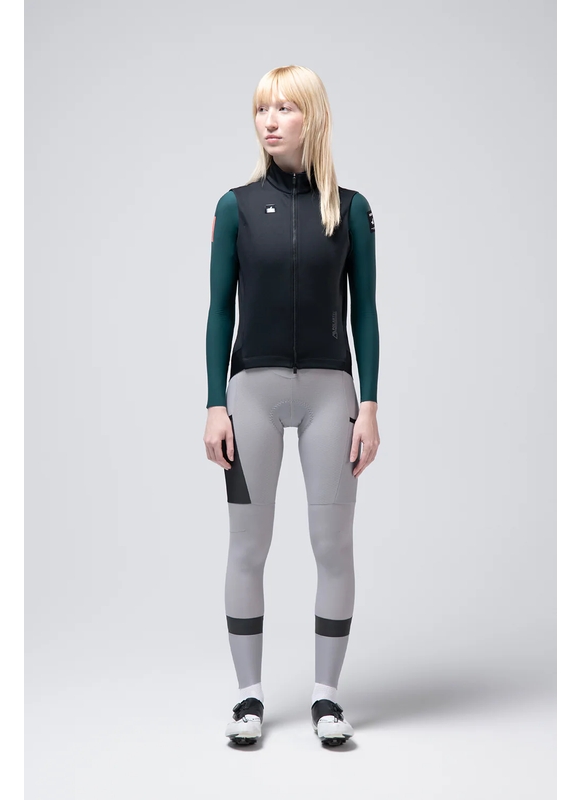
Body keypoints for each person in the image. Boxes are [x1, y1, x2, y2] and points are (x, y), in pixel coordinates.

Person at [203, 65, 380, 748]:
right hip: (251, 390)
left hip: (331, 393)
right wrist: (214, 404)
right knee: (248, 545)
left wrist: (369, 405)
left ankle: (327, 698)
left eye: (284, 108)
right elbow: (219, 311)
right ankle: (247, 697)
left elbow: (365, 313)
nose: (269, 120)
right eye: (260, 109)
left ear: (313, 116)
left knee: (333, 545)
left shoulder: (351, 209)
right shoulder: (235, 207)